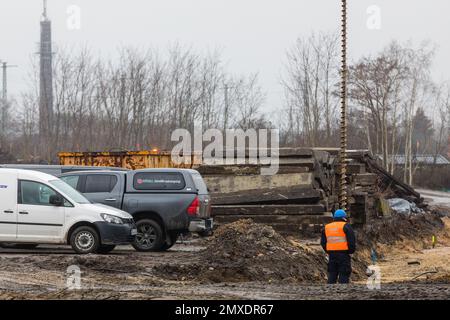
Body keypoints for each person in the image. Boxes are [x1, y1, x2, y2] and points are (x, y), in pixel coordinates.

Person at [321, 209, 356, 284]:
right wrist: (350, 251)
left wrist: (328, 251)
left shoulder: (327, 227)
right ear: (344, 218)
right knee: (344, 273)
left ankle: (330, 291)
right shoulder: (346, 226)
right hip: (343, 254)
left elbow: (323, 242)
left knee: (332, 273)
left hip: (332, 255)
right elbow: (351, 241)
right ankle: (342, 292)